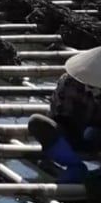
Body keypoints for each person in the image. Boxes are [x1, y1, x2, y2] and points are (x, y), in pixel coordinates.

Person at [27, 46, 101, 186]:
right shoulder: (68, 82)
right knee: (37, 122)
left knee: (93, 133)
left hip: (97, 136)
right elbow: (57, 115)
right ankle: (73, 164)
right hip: (70, 134)